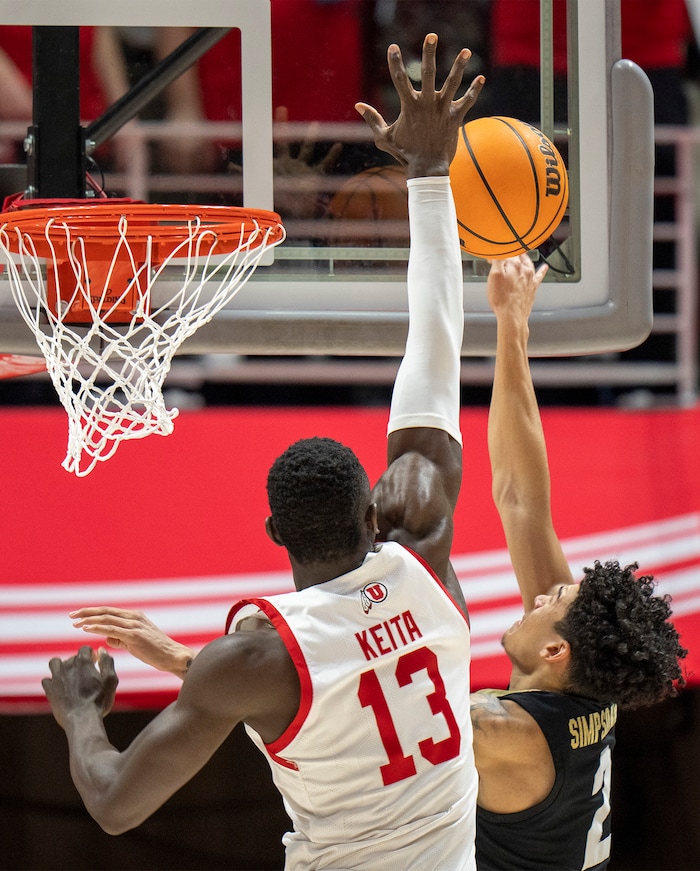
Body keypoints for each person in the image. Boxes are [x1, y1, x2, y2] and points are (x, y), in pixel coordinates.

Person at [43, 34, 486, 870]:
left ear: (273, 532)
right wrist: (430, 173)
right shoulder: (424, 556)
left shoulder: (250, 659)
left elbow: (112, 801)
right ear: (373, 511)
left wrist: (78, 710)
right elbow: (437, 343)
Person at [470, 253, 687, 871]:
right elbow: (522, 501)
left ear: (557, 650)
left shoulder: (509, 730)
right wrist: (513, 328)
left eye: (552, 602)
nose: (541, 595)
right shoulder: (575, 678)